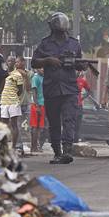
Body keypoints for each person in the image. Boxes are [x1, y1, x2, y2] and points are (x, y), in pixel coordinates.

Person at [31, 12, 84, 164]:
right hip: (52, 89)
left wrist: (79, 64)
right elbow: (34, 62)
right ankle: (57, 152)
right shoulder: (45, 43)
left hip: (69, 88)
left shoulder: (74, 44)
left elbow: (80, 63)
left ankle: (67, 150)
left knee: (69, 119)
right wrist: (48, 60)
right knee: (54, 122)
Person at [0, 56, 23, 150]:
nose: (10, 62)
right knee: (4, 124)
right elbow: (1, 87)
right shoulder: (4, 74)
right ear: (6, 62)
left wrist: (14, 96)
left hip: (13, 102)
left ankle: (13, 146)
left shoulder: (17, 74)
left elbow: (20, 90)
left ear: (14, 63)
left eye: (12, 61)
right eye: (8, 61)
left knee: (14, 124)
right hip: (4, 101)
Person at [16, 56, 33, 151]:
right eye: (16, 62)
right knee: (17, 126)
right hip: (16, 103)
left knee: (28, 126)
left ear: (23, 62)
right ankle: (19, 146)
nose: (16, 64)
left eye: (18, 62)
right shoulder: (13, 74)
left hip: (27, 103)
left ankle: (31, 145)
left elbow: (29, 88)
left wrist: (25, 76)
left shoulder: (29, 73)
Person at [30, 68, 45, 152]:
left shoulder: (44, 77)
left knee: (39, 127)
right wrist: (37, 106)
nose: (42, 69)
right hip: (37, 105)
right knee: (35, 127)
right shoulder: (35, 78)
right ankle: (33, 147)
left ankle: (36, 146)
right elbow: (34, 92)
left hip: (43, 104)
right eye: (40, 68)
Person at [75, 70, 91, 142]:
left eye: (78, 71)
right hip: (70, 106)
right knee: (70, 124)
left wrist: (82, 97)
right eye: (76, 71)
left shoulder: (82, 81)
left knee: (78, 125)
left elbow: (89, 90)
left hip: (79, 105)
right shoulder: (68, 80)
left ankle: (75, 140)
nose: (77, 72)